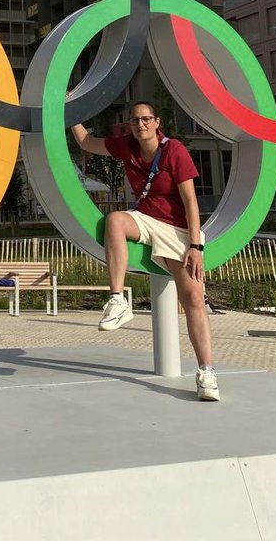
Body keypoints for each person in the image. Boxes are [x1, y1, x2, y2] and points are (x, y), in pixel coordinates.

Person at [70, 100, 220, 402]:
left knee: (193, 299)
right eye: (135, 120)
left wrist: (195, 246)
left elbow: (191, 202)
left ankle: (206, 372)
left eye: (146, 119)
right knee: (115, 220)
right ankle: (117, 300)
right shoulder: (126, 146)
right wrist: (70, 108)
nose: (141, 124)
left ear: (157, 122)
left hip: (177, 229)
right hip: (145, 219)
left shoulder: (174, 150)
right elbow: (86, 141)